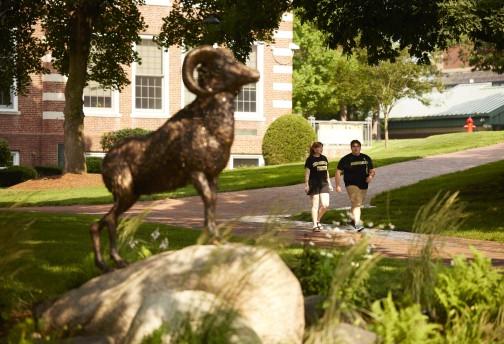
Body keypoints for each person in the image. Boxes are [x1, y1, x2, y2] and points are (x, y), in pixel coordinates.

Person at [335, 140, 376, 232]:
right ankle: (357, 224)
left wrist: (370, 176)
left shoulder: (366, 158)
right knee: (357, 202)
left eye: (357, 146)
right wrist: (337, 185)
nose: (356, 147)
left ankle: (351, 219)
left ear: (360, 147)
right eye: (354, 146)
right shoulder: (346, 159)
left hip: (363, 184)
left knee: (357, 203)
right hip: (351, 184)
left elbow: (372, 170)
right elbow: (338, 172)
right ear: (351, 147)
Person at [304, 142, 333, 232]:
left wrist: (330, 183)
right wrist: (306, 185)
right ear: (314, 149)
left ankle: (318, 219)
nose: (319, 149)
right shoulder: (310, 159)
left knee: (325, 204)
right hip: (314, 184)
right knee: (315, 205)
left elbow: (326, 171)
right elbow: (307, 173)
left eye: (320, 147)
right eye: (317, 148)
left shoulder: (324, 158)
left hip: (324, 183)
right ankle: (315, 225)